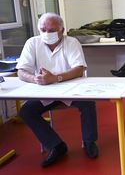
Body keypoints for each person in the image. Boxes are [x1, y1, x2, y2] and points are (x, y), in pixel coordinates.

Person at [16, 13, 99, 167]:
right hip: (44, 91)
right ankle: (56, 145)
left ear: (62, 30)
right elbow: (21, 71)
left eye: (52, 30)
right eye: (43, 29)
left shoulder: (71, 42)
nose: (47, 34)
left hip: (72, 88)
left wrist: (56, 78)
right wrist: (34, 78)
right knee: (26, 111)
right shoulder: (32, 43)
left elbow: (79, 69)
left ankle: (89, 142)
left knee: (88, 103)